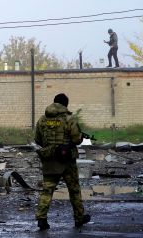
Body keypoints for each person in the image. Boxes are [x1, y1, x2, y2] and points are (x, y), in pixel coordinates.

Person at [34, 93, 91, 231]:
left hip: (49, 159)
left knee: (47, 190)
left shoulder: (42, 120)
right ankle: (79, 218)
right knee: (74, 190)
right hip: (67, 161)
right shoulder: (69, 119)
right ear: (65, 105)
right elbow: (77, 139)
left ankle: (41, 219)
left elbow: (37, 140)